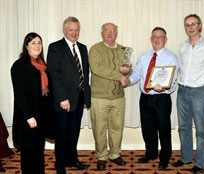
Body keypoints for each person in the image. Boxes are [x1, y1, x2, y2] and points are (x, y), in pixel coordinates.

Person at [129, 27, 179, 169]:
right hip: (145, 98)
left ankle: (164, 157)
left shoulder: (171, 57)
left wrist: (164, 87)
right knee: (148, 129)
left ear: (165, 39)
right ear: (151, 39)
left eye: (160, 37)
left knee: (163, 130)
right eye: (154, 37)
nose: (157, 39)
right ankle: (151, 153)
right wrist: (128, 80)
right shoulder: (144, 56)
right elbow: (137, 74)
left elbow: (173, 80)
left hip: (161, 99)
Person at [47, 16, 91, 174]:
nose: (74, 33)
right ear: (64, 30)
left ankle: (72, 160)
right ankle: (59, 164)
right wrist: (62, 98)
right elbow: (53, 75)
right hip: (63, 100)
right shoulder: (55, 47)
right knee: (62, 133)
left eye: (77, 29)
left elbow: (85, 74)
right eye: (71, 30)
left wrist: (86, 98)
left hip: (79, 98)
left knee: (74, 132)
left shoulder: (83, 48)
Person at [172, 14, 204, 173]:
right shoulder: (183, 47)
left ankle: (201, 164)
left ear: (200, 25)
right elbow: (179, 69)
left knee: (202, 130)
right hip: (182, 90)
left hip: (200, 92)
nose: (190, 27)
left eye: (193, 24)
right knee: (184, 127)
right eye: (187, 25)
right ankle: (186, 158)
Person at [88, 23, 130, 170]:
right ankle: (101, 156)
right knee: (99, 128)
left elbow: (127, 68)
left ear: (117, 33)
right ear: (102, 33)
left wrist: (127, 73)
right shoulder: (95, 49)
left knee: (117, 128)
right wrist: (120, 75)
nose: (110, 34)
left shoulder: (123, 50)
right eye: (107, 31)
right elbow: (97, 68)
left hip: (118, 97)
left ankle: (114, 154)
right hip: (99, 97)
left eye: (113, 31)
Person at [10, 32, 49, 174]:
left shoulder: (42, 66)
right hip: (27, 117)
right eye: (33, 43)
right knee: (28, 154)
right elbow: (19, 94)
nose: (37, 46)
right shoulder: (19, 66)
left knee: (39, 151)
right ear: (26, 46)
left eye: (39, 42)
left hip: (40, 117)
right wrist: (29, 116)